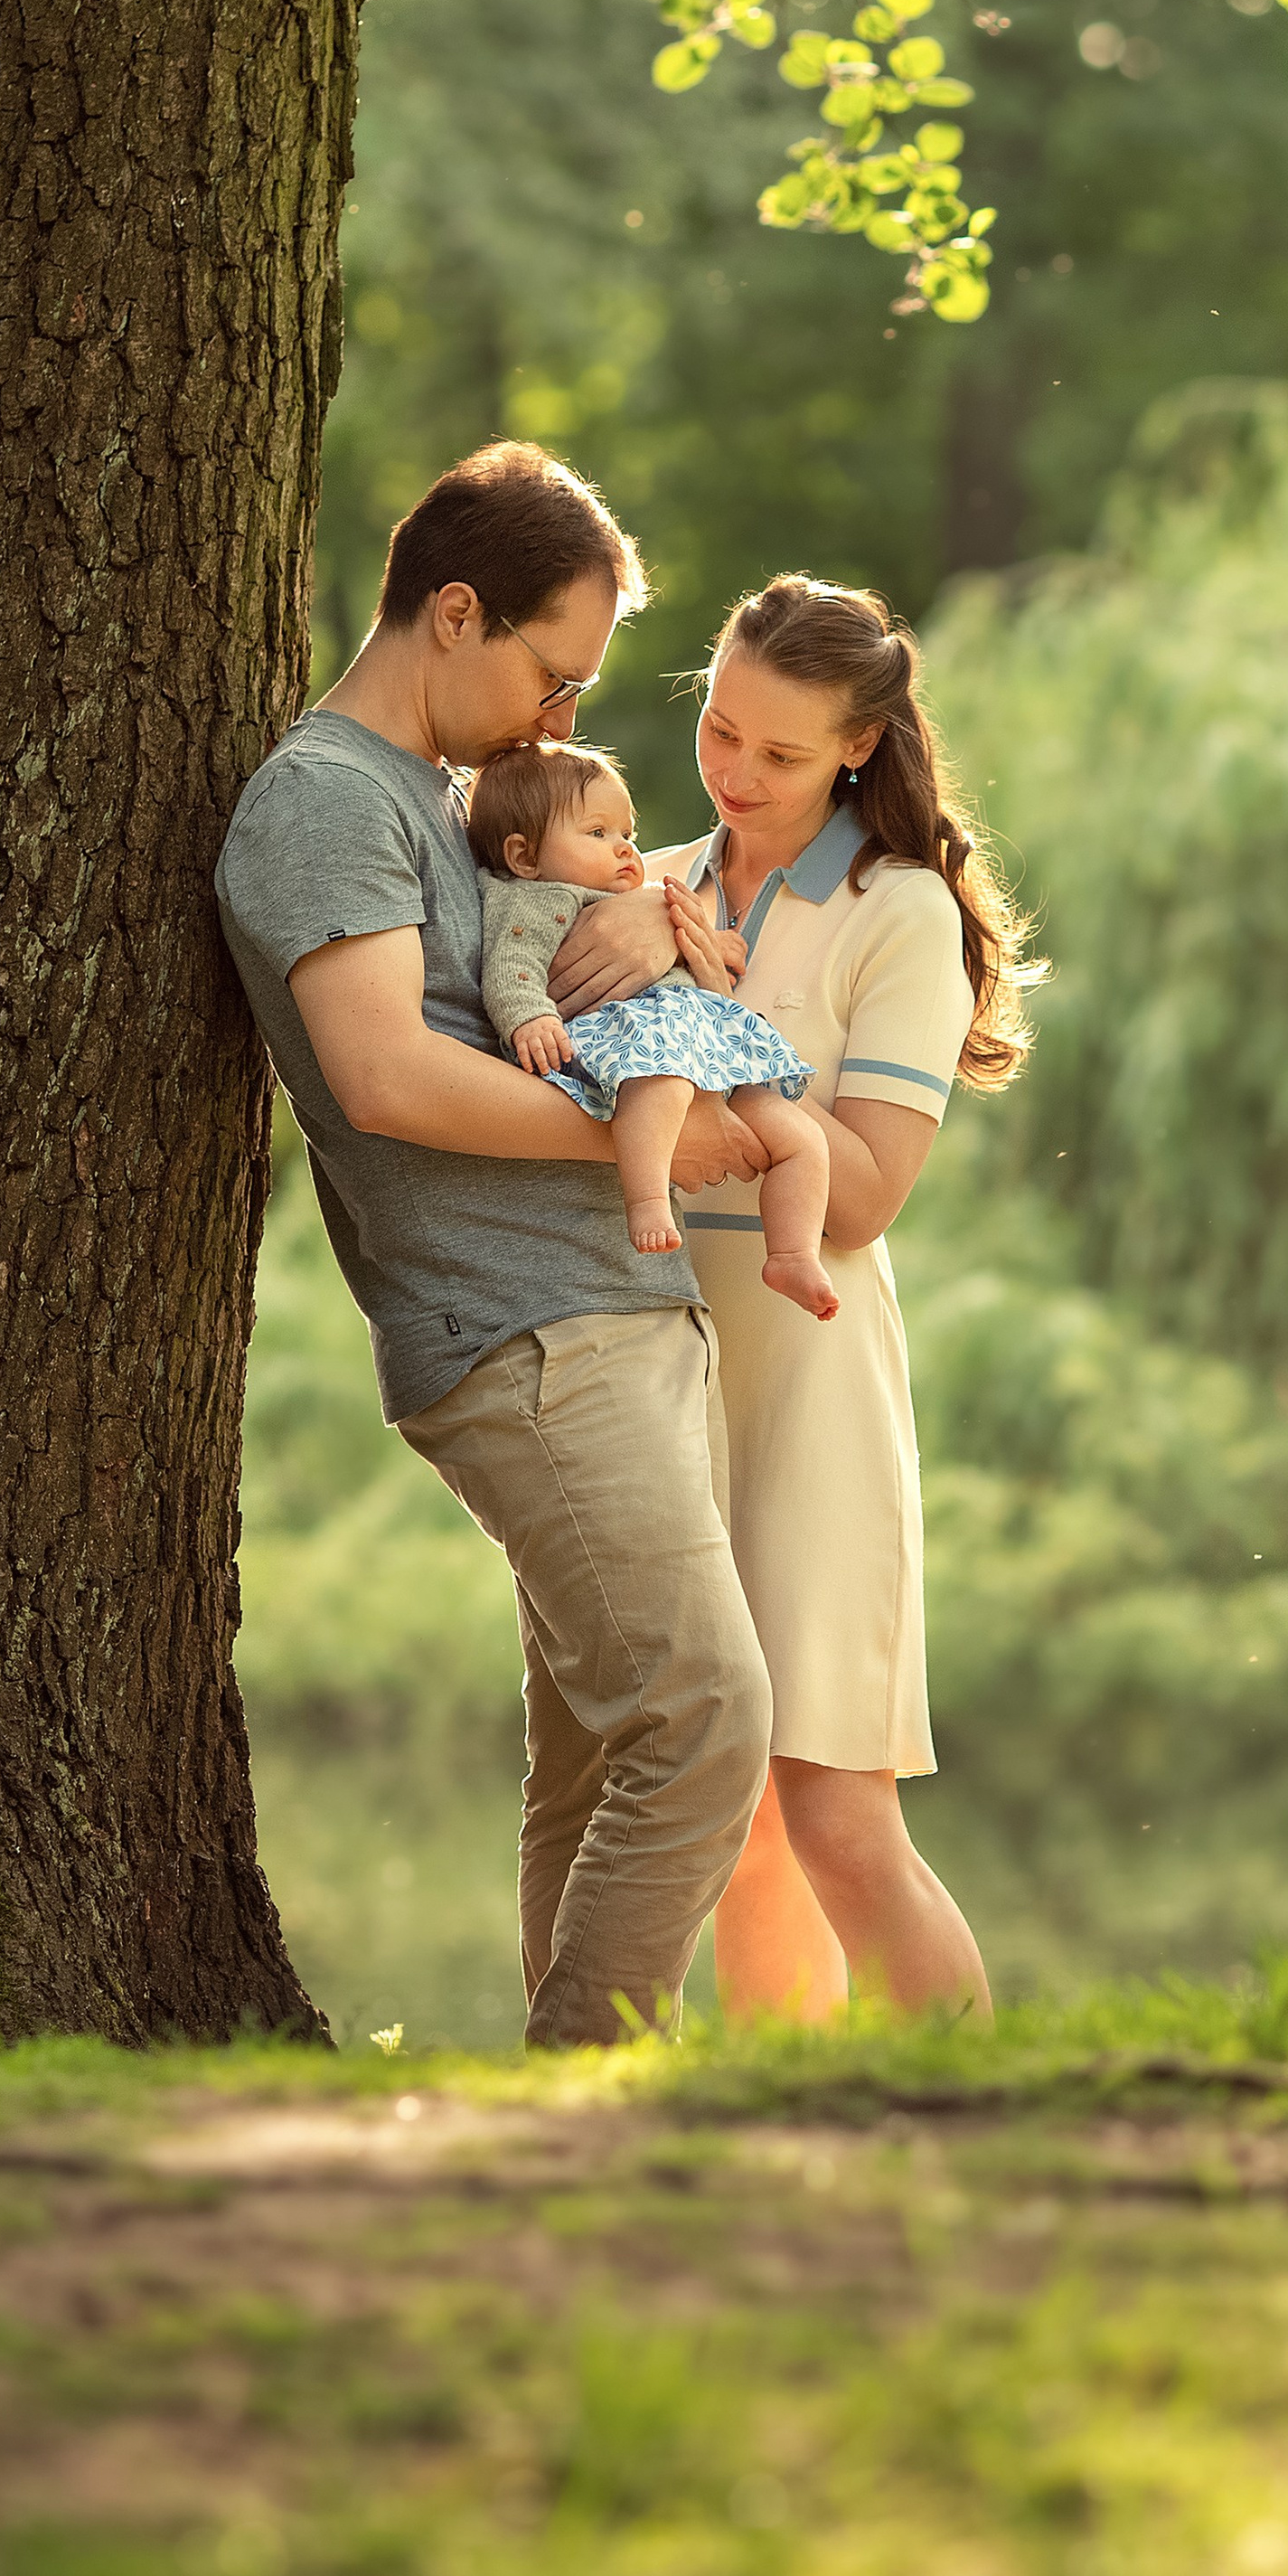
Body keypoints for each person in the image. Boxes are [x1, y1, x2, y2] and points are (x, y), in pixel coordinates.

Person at [213, 442, 773, 2048]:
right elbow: (385, 1076)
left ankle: (558, 2124)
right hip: (525, 1339)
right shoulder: (325, 802)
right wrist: (657, 1136)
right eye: (552, 671)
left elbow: (546, 964)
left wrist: (652, 923)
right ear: (452, 614)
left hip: (614, 1313)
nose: (564, 719)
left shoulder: (456, 809)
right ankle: (599, 2078)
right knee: (707, 1718)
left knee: (601, 1756)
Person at [635, 574, 1038, 2024]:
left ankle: (983, 2113)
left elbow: (862, 1195)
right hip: (661, 1359)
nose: (736, 775)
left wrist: (681, 1122)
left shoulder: (901, 914)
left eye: (781, 755)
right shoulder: (656, 882)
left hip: (807, 1364)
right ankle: (781, 2114)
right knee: (725, 1812)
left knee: (835, 1814)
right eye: (720, 730)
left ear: (860, 746)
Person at [465, 737, 838, 1319]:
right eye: (597, 834)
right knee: (659, 1086)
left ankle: (791, 1251)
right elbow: (511, 967)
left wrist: (710, 944)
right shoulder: (536, 901)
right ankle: (646, 1201)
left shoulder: (642, 898)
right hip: (633, 1046)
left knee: (801, 1139)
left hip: (703, 1053)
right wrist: (529, 1015)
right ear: (523, 856)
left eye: (627, 834)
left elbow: (679, 945)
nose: (624, 849)